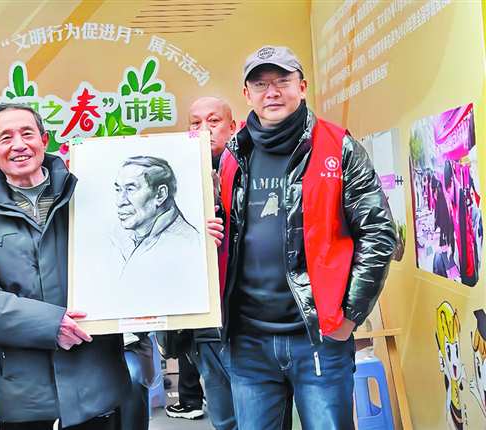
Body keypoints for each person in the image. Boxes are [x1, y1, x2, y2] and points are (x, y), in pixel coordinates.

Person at [217, 46, 396, 429]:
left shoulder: (339, 147)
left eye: (282, 81)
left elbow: (379, 233)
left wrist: (349, 317)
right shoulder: (234, 155)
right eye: (260, 84)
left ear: (302, 86)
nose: (272, 92)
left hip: (318, 337)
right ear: (246, 94)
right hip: (248, 342)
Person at [0, 103, 130, 430]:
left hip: (94, 379)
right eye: (6, 138)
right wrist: (51, 324)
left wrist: (195, 239)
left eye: (27, 134)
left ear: (44, 140)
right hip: (26, 392)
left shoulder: (90, 198)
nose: (19, 145)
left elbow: (137, 248)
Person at [165, 97, 237, 429]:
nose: (204, 129)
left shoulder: (251, 167)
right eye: (195, 123)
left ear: (231, 126)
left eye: (213, 121)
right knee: (224, 416)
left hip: (250, 320)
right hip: (205, 322)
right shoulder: (177, 177)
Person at [112, 155, 199, 277]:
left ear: (160, 194)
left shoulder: (186, 245)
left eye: (130, 189)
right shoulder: (121, 239)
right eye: (118, 190)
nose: (120, 202)